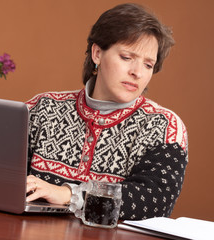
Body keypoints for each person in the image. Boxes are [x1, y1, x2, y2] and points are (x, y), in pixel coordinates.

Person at [25, 3, 188, 220]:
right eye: (127, 57)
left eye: (148, 65)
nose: (137, 72)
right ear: (97, 53)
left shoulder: (165, 126)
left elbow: (154, 200)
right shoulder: (41, 108)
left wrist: (70, 194)